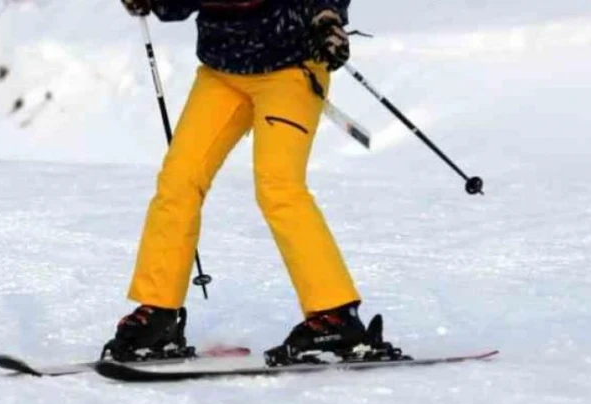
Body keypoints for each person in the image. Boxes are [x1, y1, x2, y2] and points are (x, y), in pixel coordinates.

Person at [104, 0, 390, 366]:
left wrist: (327, 17)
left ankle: (336, 317)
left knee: (278, 186)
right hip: (223, 70)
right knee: (179, 181)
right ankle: (159, 314)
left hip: (291, 66)